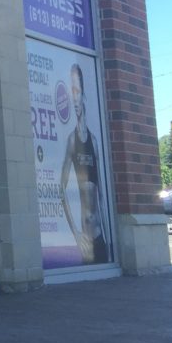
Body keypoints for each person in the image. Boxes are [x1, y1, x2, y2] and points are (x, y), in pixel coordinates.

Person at [59, 63, 110, 264]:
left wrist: (108, 236)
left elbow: (103, 197)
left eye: (77, 91)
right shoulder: (72, 140)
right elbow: (61, 190)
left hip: (100, 236)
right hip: (85, 240)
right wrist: (76, 234)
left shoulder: (94, 141)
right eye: (71, 92)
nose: (74, 98)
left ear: (84, 94)